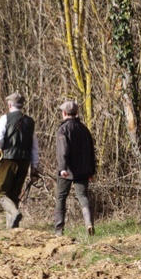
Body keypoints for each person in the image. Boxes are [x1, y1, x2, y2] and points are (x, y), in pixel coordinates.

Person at [0, 92, 39, 228]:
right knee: (14, 194)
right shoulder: (30, 122)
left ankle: (14, 212)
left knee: (1, 193)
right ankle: (12, 229)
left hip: (8, 159)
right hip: (25, 161)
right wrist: (35, 167)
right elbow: (35, 147)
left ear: (9, 104)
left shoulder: (5, 118)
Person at [54, 100, 96, 236]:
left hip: (68, 170)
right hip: (84, 170)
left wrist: (62, 168)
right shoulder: (84, 129)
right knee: (83, 196)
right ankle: (89, 223)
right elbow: (91, 151)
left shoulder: (63, 129)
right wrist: (91, 171)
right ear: (76, 113)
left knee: (61, 196)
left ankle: (59, 230)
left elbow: (63, 151)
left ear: (65, 113)